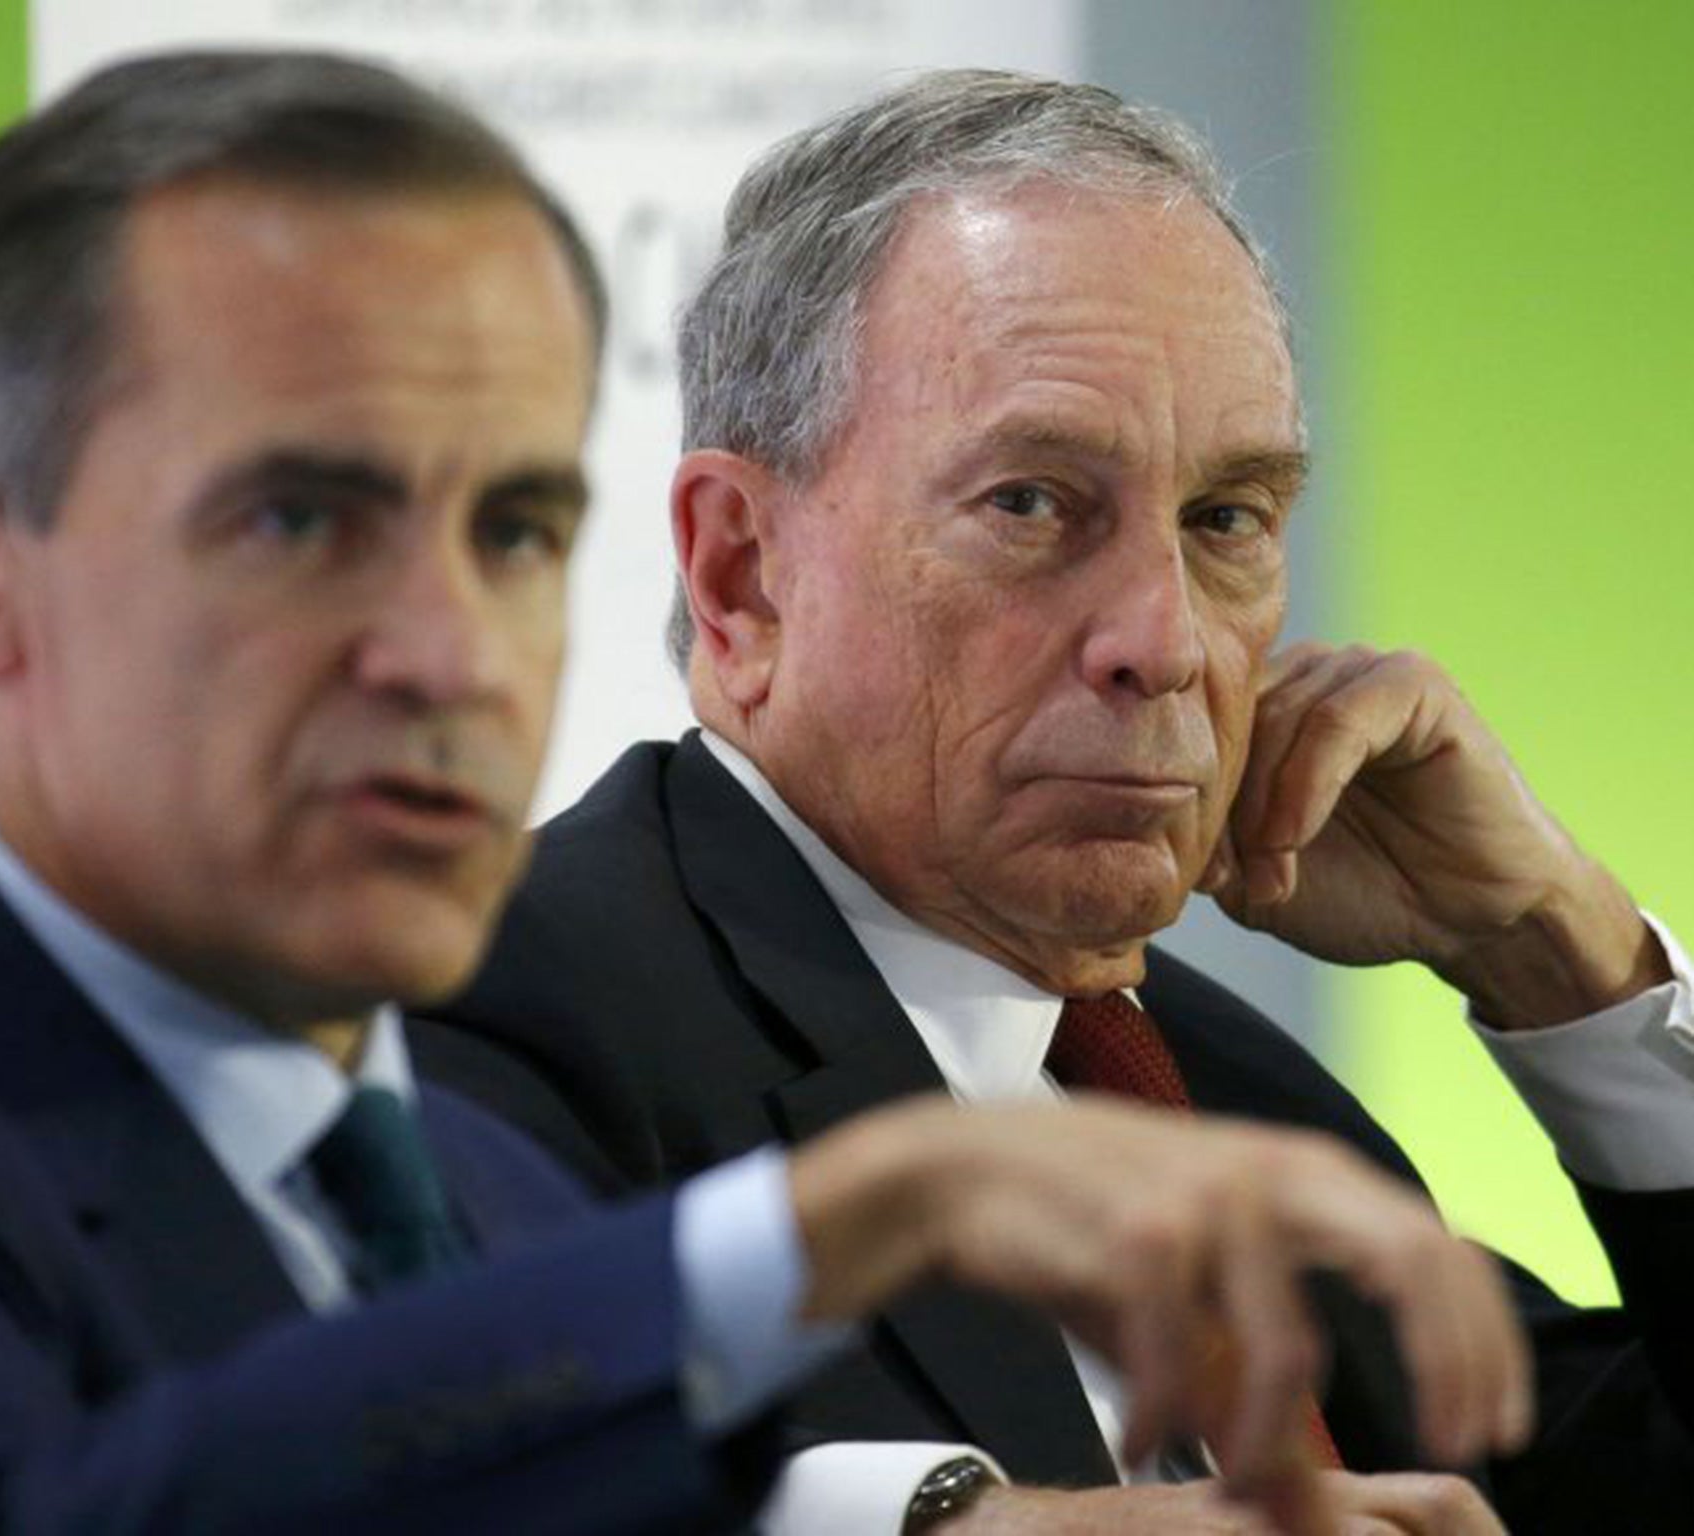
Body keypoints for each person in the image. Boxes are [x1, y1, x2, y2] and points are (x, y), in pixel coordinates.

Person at [0, 51, 1528, 1536]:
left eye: (517, 528)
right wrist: (832, 1228)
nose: (453, 651)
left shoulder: (472, 1195)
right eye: (301, 519)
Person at [414, 69, 1694, 1534]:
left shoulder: (1221, 1091)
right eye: (1031, 503)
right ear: (741, 575)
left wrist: (1561, 952)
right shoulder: (485, 999)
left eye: (1226, 520)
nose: (1166, 639)